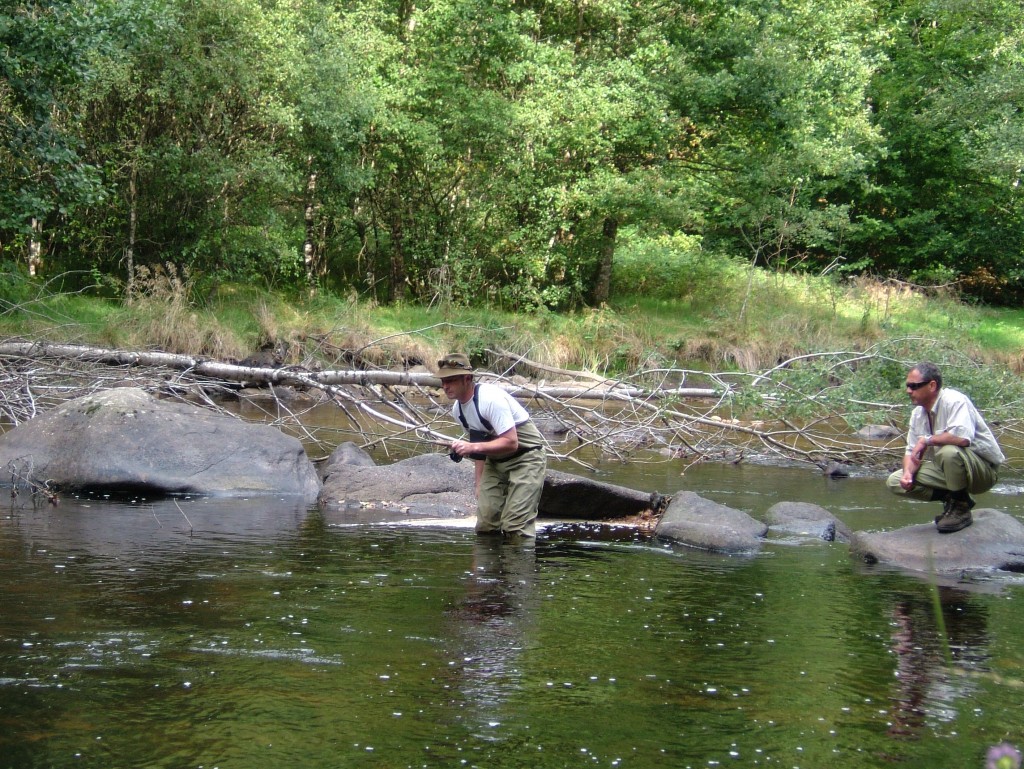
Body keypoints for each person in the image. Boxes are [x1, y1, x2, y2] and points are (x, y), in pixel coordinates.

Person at [437, 353, 547, 538]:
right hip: (495, 463)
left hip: (526, 459)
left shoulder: (490, 399)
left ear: (467, 379)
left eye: (451, 380)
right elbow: (480, 447)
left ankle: (517, 566)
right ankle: (486, 568)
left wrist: (472, 448)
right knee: (486, 525)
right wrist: (479, 484)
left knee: (515, 527)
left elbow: (511, 443)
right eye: (443, 381)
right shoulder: (458, 410)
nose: (445, 386)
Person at [886, 361, 1004, 533]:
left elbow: (962, 439)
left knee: (947, 451)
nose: (908, 391)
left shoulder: (955, 401)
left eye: (914, 386)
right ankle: (954, 499)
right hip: (950, 469)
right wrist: (908, 474)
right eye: (908, 386)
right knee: (894, 481)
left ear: (932, 385)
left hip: (981, 472)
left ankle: (961, 509)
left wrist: (927, 440)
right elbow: (911, 451)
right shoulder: (917, 414)